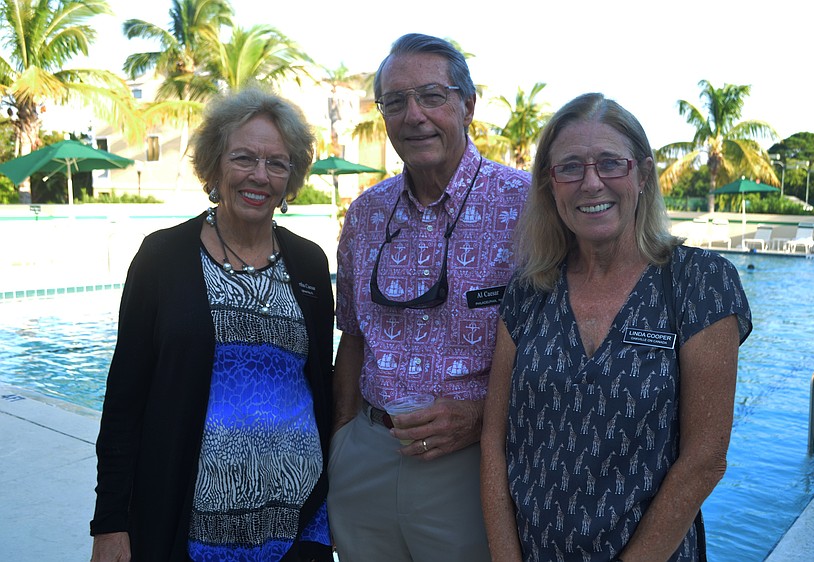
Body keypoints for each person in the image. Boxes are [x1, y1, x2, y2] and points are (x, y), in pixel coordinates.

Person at [480, 93, 752, 562]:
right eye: (570, 167)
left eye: (611, 163)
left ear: (643, 175)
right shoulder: (530, 290)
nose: (591, 183)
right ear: (551, 184)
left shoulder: (698, 283)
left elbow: (704, 460)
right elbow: (494, 441)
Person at [89, 87, 334, 562]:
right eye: (243, 158)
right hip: (188, 524)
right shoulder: (162, 257)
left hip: (299, 525)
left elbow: (319, 387)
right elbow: (124, 401)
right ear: (215, 165)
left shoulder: (308, 263)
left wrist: (335, 501)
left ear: (292, 176)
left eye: (277, 163)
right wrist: (111, 523)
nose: (259, 176)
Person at [328, 33, 531, 562]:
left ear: (467, 105)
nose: (413, 115)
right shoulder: (367, 213)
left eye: (432, 96)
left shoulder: (528, 206)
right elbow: (352, 335)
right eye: (395, 102)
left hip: (472, 460)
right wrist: (342, 441)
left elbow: (561, 350)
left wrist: (484, 415)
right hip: (367, 452)